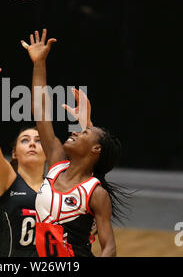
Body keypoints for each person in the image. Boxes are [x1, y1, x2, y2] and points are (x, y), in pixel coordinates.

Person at [0, 53, 93, 257]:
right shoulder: (5, 180)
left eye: (37, 140)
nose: (33, 144)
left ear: (47, 152)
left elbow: (86, 156)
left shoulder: (58, 184)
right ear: (14, 153)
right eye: (25, 140)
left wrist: (85, 123)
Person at [21, 29, 130, 257]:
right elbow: (41, 111)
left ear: (96, 149)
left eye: (85, 131)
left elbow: (109, 247)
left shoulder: (95, 193)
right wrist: (39, 63)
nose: (75, 131)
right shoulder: (56, 162)